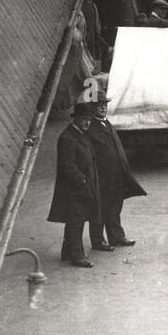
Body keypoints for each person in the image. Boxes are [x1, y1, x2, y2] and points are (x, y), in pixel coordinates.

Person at [84, 96, 144, 251]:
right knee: (99, 210)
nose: (103, 108)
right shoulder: (91, 128)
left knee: (115, 207)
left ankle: (116, 237)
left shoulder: (107, 123)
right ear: (93, 108)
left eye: (104, 105)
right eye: (99, 106)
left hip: (116, 175)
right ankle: (98, 241)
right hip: (102, 176)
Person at [47, 103, 101, 268]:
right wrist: (82, 180)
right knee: (76, 221)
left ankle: (67, 252)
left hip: (80, 186)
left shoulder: (79, 134)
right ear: (76, 119)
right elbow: (66, 164)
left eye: (89, 120)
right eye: (84, 119)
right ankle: (77, 257)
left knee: (75, 220)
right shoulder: (68, 137)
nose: (87, 123)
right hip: (74, 188)